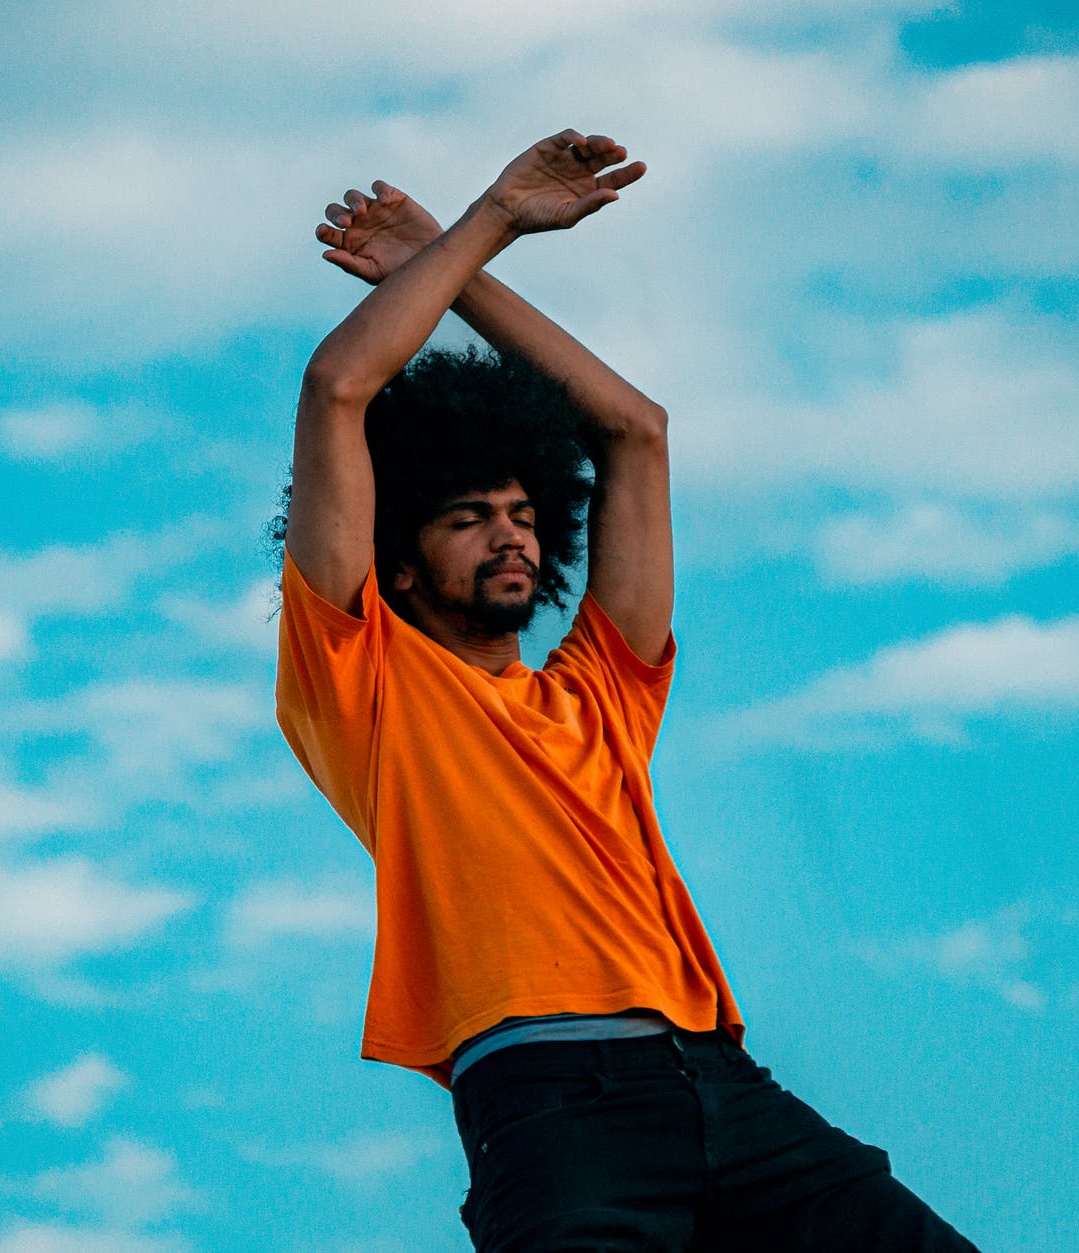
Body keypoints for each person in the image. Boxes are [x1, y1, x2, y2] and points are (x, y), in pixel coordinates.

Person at [273, 129, 978, 1252]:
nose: (509, 533)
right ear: (397, 563)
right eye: (467, 517)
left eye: (519, 512)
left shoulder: (598, 689)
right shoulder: (365, 683)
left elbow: (634, 430)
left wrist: (443, 268)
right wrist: (486, 218)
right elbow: (337, 387)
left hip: (722, 1083)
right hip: (552, 1103)